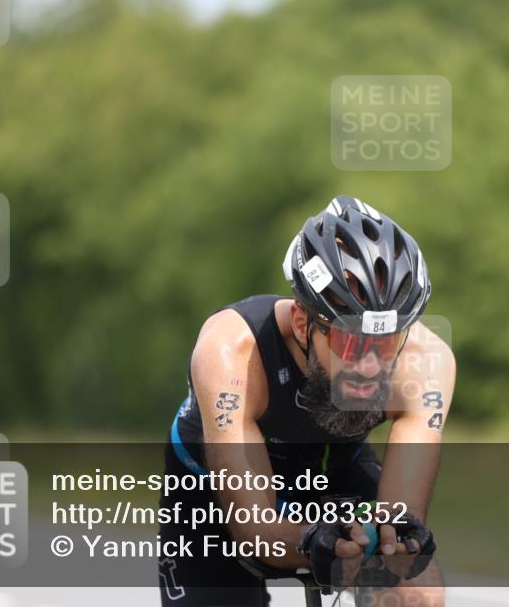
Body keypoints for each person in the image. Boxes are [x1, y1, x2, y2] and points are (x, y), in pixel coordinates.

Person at [159, 195, 455, 606]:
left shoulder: (426, 361)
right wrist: (314, 538)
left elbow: (399, 520)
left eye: (387, 343)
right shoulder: (233, 353)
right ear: (303, 323)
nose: (371, 365)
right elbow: (257, 531)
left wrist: (397, 541)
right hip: (213, 487)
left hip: (336, 470)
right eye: (352, 342)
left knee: (414, 593)